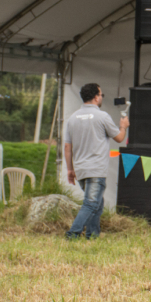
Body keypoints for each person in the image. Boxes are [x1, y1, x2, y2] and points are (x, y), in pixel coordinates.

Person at [63, 83, 128, 240]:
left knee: (97, 205)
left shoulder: (72, 118)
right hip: (96, 169)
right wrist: (123, 126)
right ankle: (73, 234)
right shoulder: (102, 116)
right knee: (91, 204)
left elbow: (67, 147)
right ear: (96, 97)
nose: (101, 98)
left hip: (80, 169)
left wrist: (70, 170)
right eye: (101, 95)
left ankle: (92, 236)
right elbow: (119, 138)